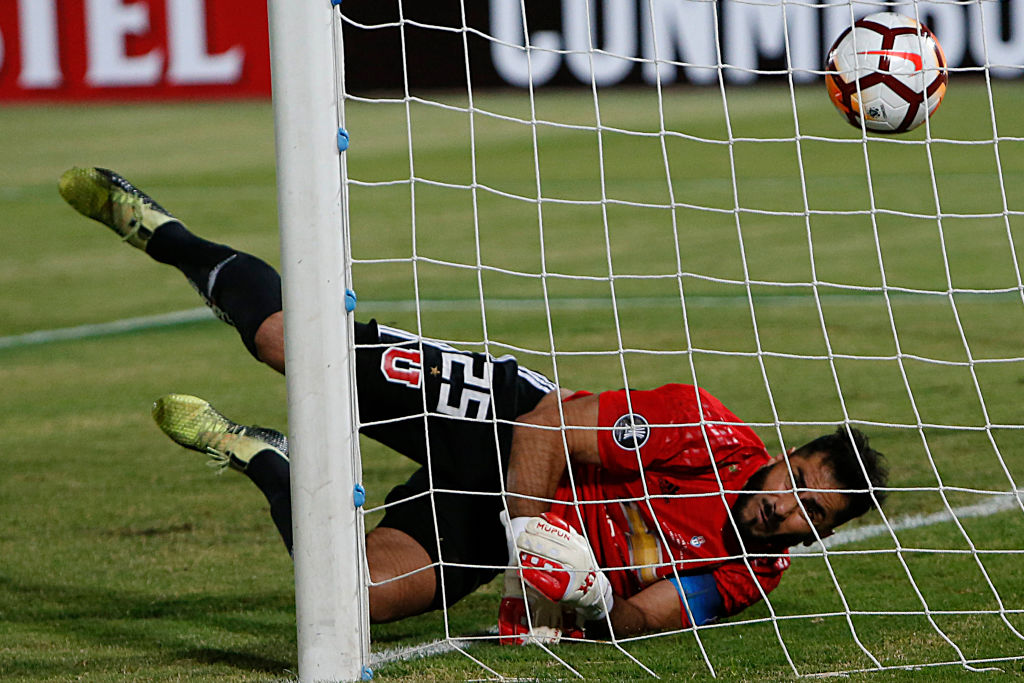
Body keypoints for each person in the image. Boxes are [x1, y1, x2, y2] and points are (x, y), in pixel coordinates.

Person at [58, 167, 890, 642]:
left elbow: (645, 615)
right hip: (498, 423)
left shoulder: (751, 575)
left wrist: (592, 601)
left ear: (819, 533)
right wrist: (532, 532)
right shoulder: (700, 427)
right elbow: (551, 426)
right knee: (285, 341)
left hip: (497, 524)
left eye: (807, 514)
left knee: (353, 601)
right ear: (785, 453)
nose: (783, 507)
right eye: (796, 480)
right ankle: (157, 230)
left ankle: (268, 458)